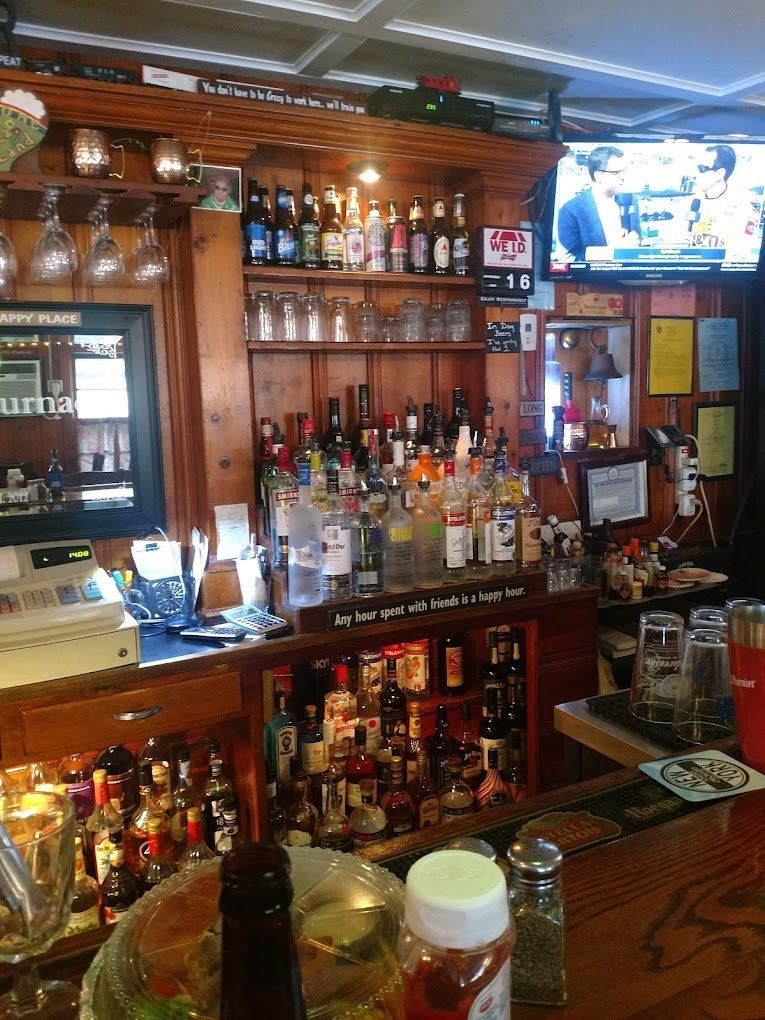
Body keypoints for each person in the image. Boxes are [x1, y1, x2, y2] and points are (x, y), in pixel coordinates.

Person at [557, 145, 640, 261]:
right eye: (617, 172)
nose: (623, 177)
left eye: (624, 171)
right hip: (588, 278)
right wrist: (613, 251)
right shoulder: (571, 210)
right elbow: (567, 258)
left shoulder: (630, 200)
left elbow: (636, 239)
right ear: (598, 176)